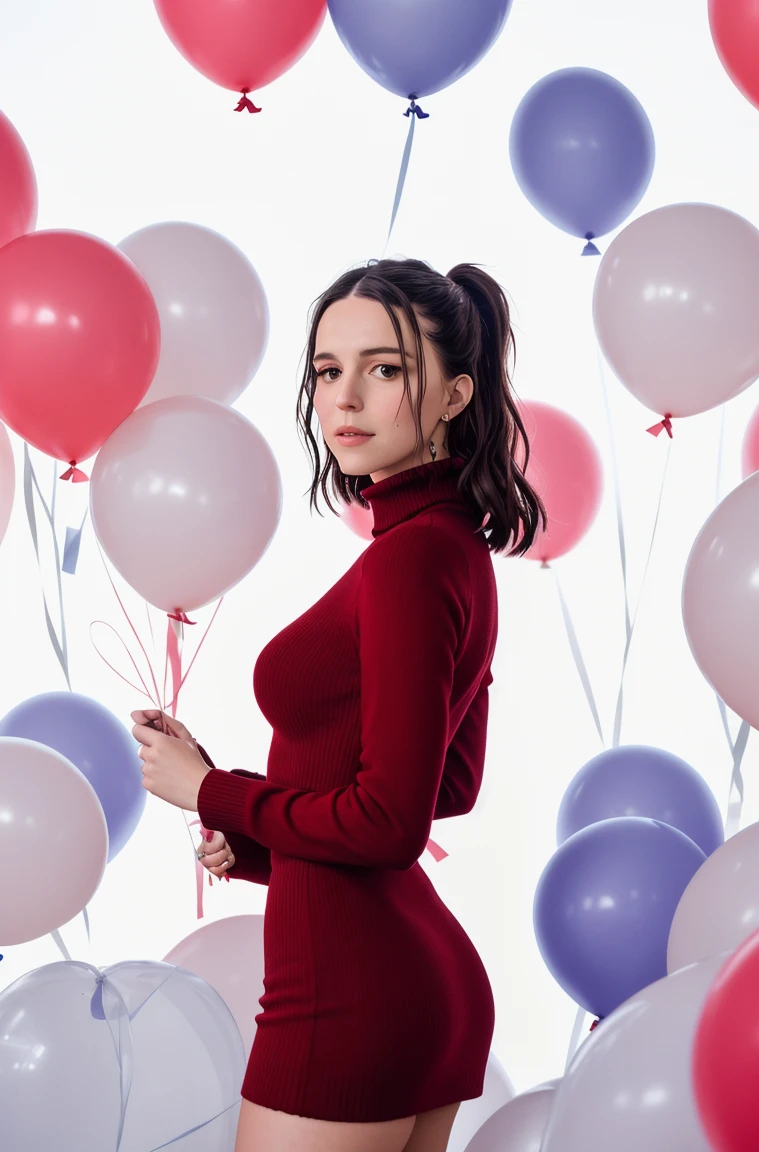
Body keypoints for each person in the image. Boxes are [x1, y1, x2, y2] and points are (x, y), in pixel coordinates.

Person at [137, 258, 545, 1152]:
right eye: (328, 370)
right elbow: (450, 785)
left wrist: (213, 791)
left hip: (348, 1001)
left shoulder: (410, 559)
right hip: (418, 983)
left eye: (386, 368)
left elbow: (392, 822)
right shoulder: (449, 547)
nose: (345, 397)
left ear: (454, 396)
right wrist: (262, 842)